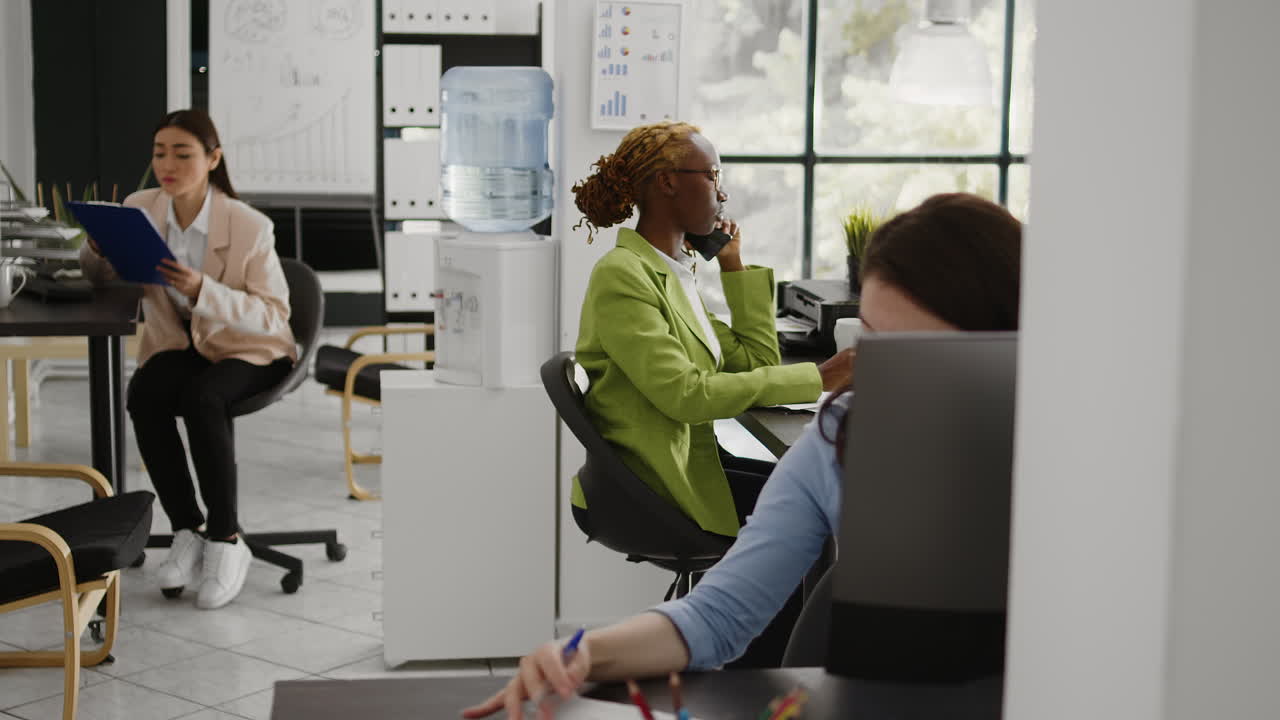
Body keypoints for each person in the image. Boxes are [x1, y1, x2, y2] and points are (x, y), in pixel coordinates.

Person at [462, 192, 1023, 720]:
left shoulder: (1070, 461)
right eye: (870, 339)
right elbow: (718, 616)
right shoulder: (838, 441)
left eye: (915, 351)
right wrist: (586, 654)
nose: (879, 370)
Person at [568, 121, 853, 543]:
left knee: (822, 502)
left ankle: (740, 609)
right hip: (651, 485)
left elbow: (757, 361)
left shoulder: (671, 274)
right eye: (714, 175)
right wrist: (821, 377)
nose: (722, 194)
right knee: (817, 520)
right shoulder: (623, 276)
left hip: (689, 468)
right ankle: (733, 611)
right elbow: (687, 395)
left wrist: (733, 266)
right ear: (667, 182)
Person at [79, 108, 296, 610]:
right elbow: (100, 275)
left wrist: (204, 289)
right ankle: (188, 529)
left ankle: (225, 540)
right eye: (159, 153)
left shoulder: (249, 226)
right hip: (184, 344)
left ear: (213, 158)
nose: (167, 164)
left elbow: (274, 317)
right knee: (146, 394)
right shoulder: (140, 208)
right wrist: (97, 248)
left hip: (251, 347)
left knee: (204, 398)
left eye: (183, 153)